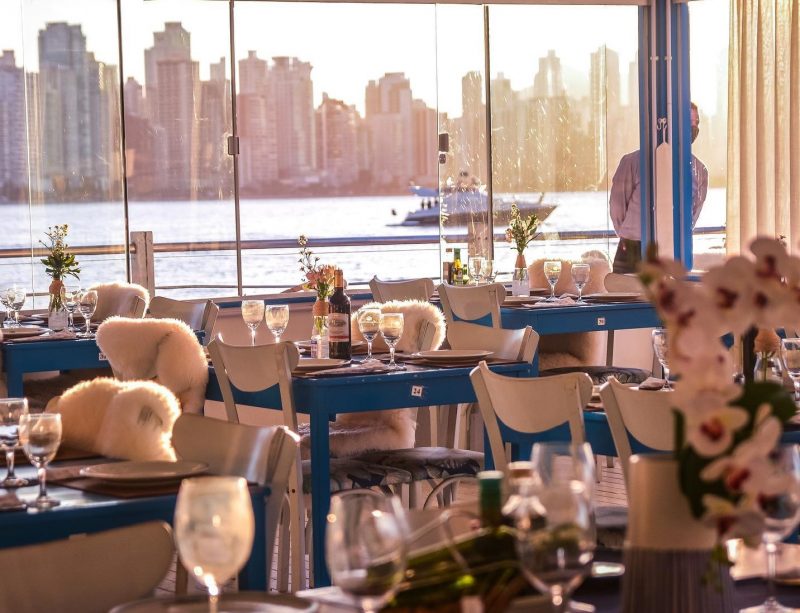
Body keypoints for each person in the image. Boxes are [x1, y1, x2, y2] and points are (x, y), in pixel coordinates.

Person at [609, 102, 709, 273]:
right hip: (632, 250)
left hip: (674, 251)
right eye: (689, 122)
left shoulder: (699, 171)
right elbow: (617, 209)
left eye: (696, 123)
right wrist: (633, 236)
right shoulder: (632, 162)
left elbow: (692, 215)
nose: (694, 128)